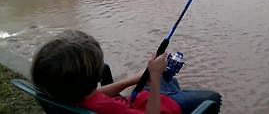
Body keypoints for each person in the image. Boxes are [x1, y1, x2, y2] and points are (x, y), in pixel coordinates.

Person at [31, 30, 221, 114]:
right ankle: (169, 89)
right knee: (211, 98)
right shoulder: (107, 108)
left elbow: (94, 95)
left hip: (139, 101)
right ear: (96, 76)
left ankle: (167, 86)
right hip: (153, 107)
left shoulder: (64, 94)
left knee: (163, 77)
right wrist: (153, 78)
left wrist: (134, 80)